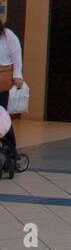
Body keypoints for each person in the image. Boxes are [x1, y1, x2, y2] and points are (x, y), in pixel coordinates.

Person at [0, 17, 24, 160]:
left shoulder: (8, 35)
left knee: (2, 116)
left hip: (3, 81)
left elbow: (16, 55)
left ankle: (11, 149)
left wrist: (17, 75)